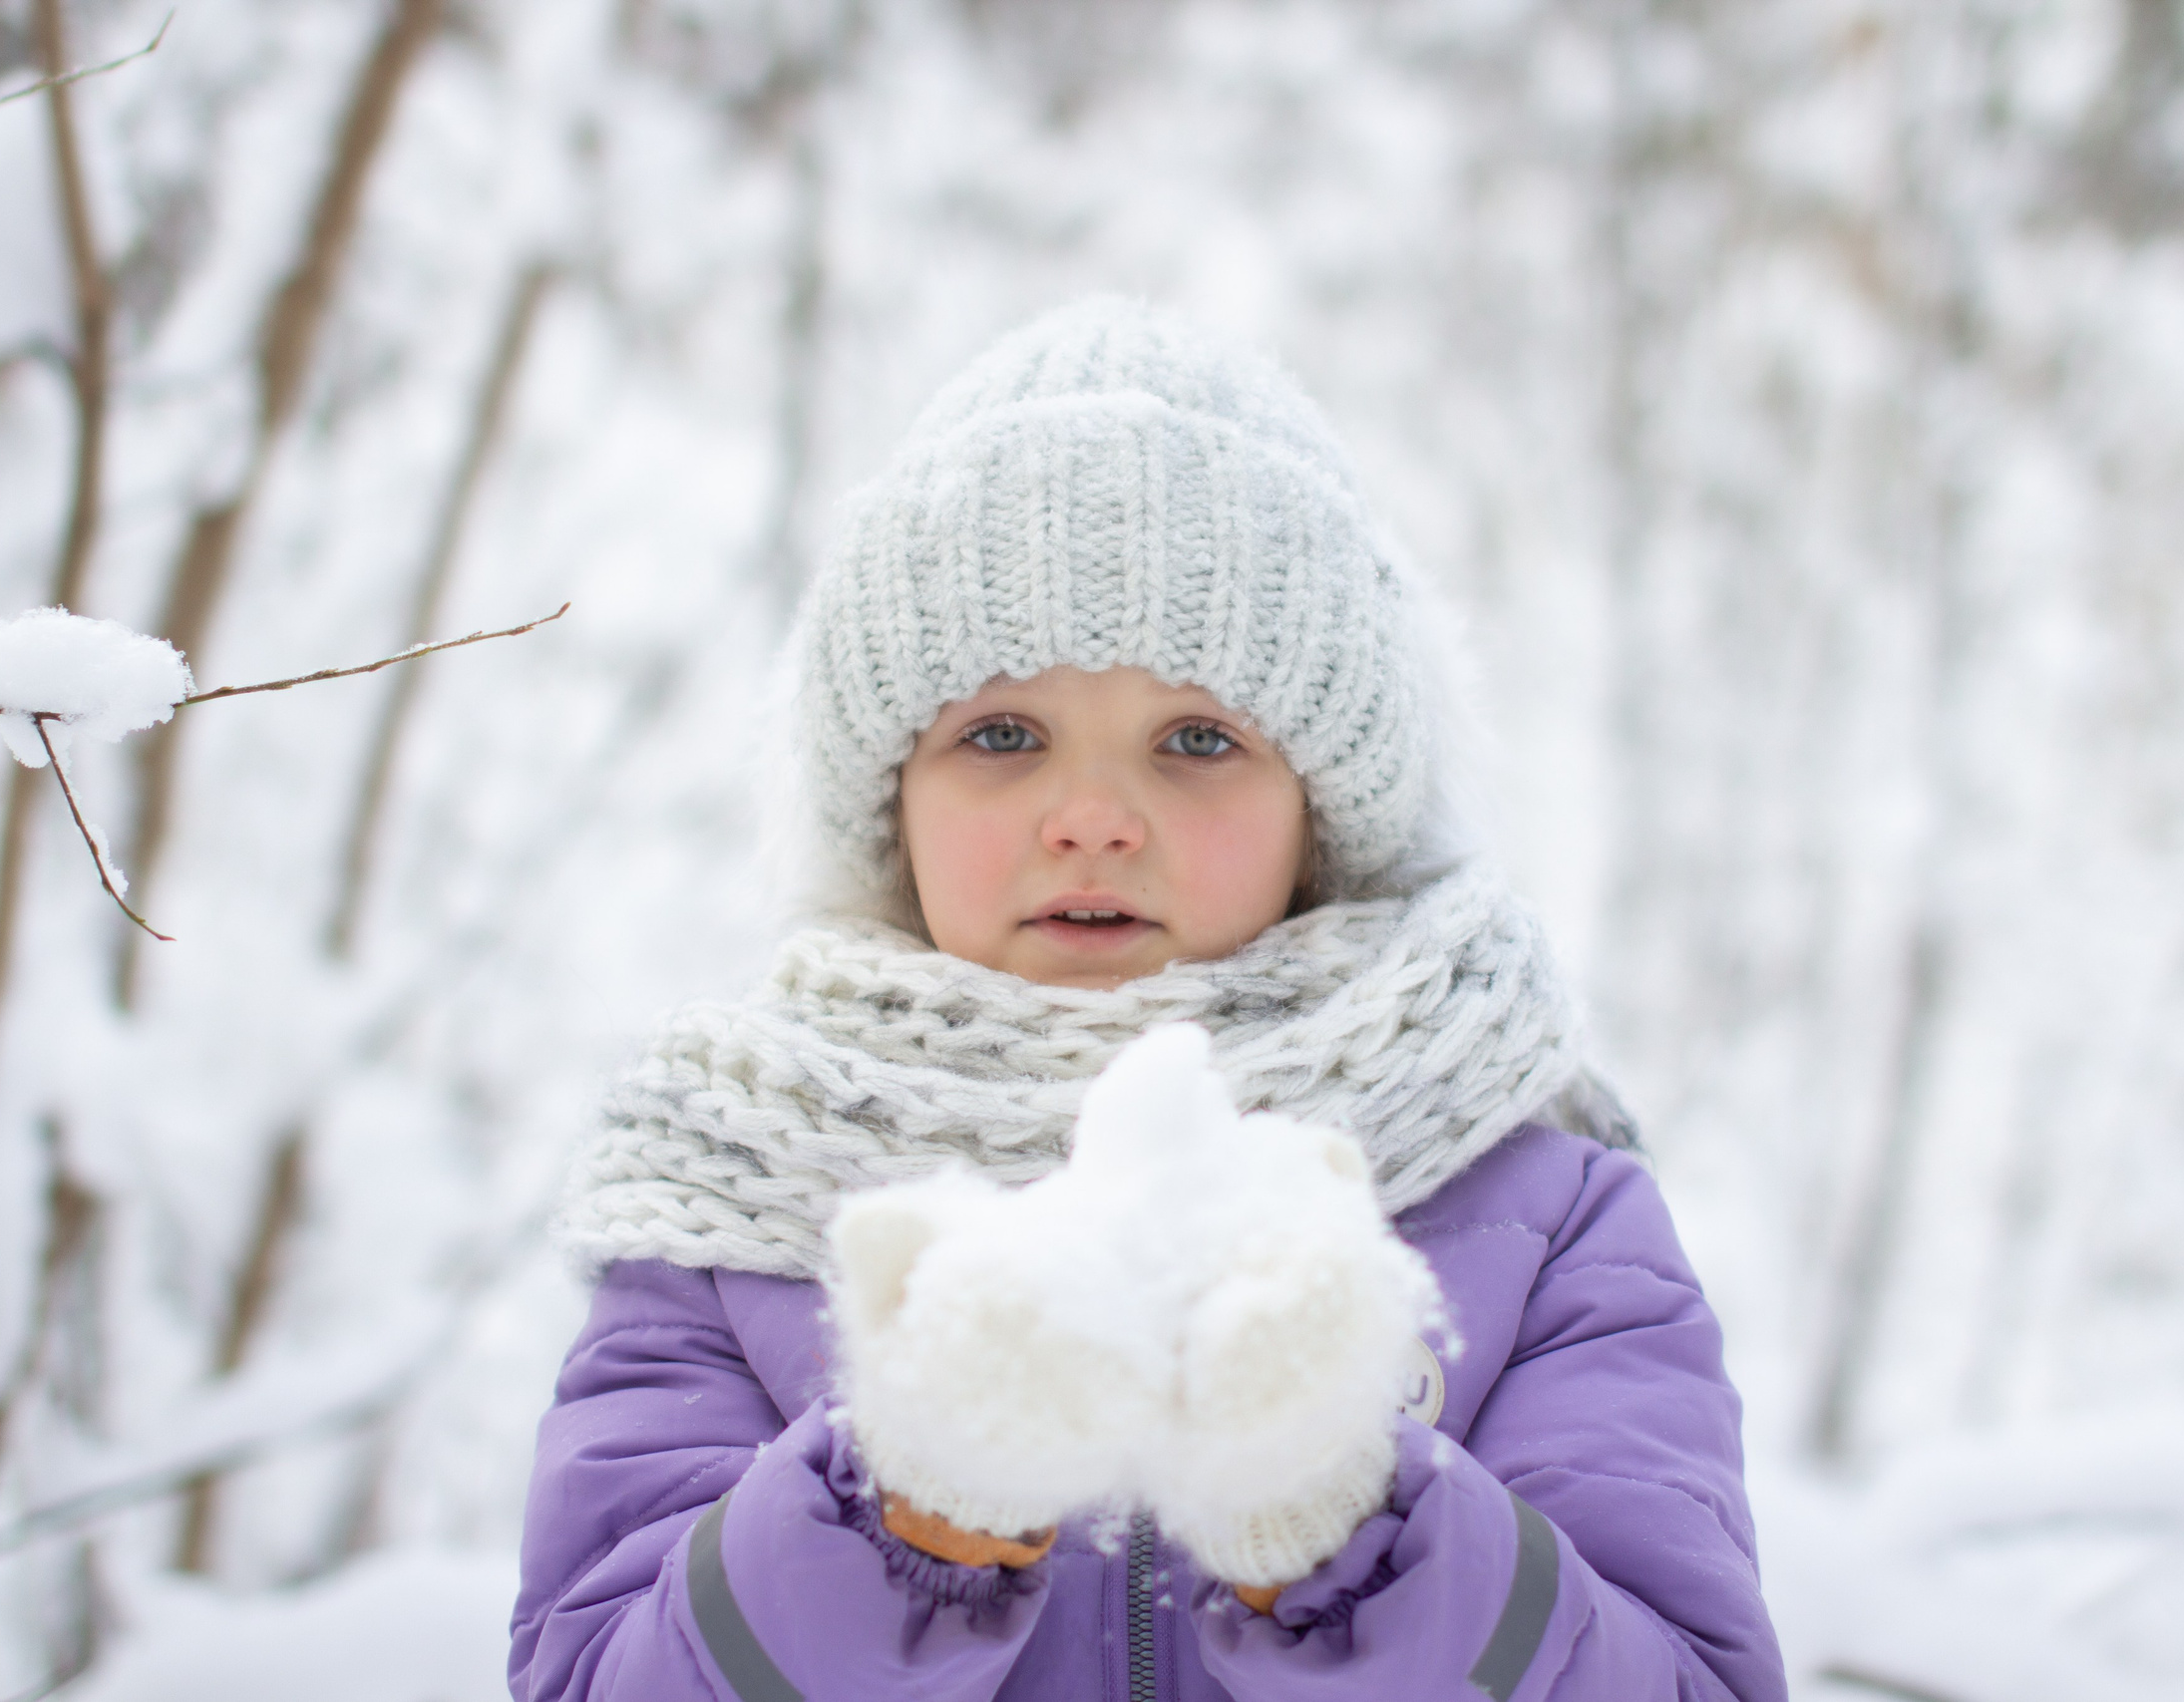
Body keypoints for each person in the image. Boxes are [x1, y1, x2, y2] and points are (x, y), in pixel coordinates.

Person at [510, 297, 1786, 1702]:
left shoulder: (1547, 1215)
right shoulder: (727, 1209)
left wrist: (1346, 1524)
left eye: (1197, 739)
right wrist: (904, 1510)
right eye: (1001, 734)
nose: (1095, 817)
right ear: (884, 800)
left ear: (1328, 807)